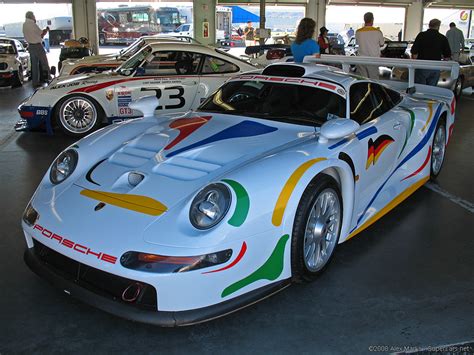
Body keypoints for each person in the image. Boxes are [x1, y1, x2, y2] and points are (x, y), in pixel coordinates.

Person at [411, 19, 451, 86]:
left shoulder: (421, 35)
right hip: (435, 66)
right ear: (438, 26)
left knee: (420, 89)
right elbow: (447, 55)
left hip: (422, 65)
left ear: (429, 25)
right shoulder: (442, 38)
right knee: (431, 89)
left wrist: (415, 59)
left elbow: (414, 51)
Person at [22, 11, 50, 88]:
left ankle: (35, 82)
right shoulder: (32, 24)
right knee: (44, 63)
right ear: (31, 16)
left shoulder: (24, 25)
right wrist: (46, 30)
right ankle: (49, 79)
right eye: (34, 15)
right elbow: (41, 34)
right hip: (37, 46)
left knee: (34, 65)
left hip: (30, 46)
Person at [355, 12, 384, 79]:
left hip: (361, 59)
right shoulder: (378, 32)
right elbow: (382, 44)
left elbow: (357, 43)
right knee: (374, 80)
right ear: (372, 19)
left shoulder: (358, 32)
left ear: (364, 19)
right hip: (373, 59)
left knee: (362, 79)